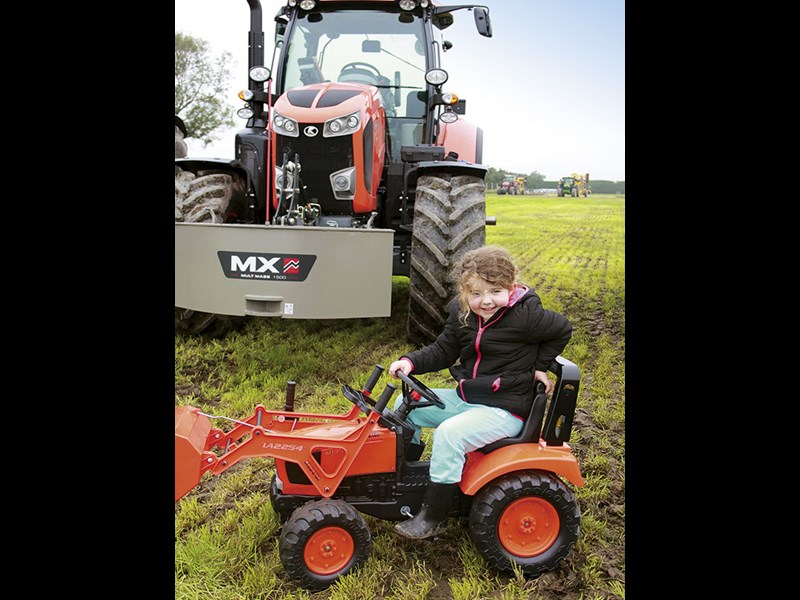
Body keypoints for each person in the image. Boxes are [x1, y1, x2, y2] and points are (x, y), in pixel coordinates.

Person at [388, 245, 573, 539]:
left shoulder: (527, 315)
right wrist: (410, 361)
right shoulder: (462, 314)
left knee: (450, 433)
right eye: (476, 294)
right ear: (465, 292)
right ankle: (401, 476)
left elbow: (563, 328)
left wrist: (541, 365)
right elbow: (443, 350)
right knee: (405, 402)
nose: (486, 301)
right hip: (468, 398)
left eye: (495, 291)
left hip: (505, 409)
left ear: (511, 288)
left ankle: (433, 515)